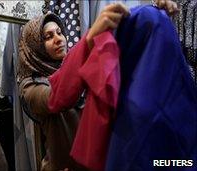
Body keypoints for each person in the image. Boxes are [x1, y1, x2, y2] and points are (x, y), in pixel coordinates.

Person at [17, 1, 178, 170]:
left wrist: (151, 11)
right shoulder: (30, 87)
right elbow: (58, 96)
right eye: (48, 37)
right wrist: (89, 37)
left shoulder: (73, 62)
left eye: (59, 32)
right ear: (35, 46)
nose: (58, 39)